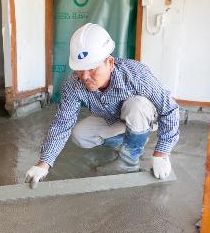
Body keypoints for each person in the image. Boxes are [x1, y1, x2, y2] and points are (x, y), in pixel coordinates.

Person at [25, 23, 179, 189]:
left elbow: (169, 109)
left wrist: (162, 153)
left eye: (91, 68)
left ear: (110, 62)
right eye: (79, 69)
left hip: (144, 116)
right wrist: (44, 163)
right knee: (80, 135)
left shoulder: (136, 74)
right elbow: (63, 123)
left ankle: (129, 161)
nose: (84, 76)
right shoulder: (73, 85)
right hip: (115, 119)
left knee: (136, 105)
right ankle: (131, 141)